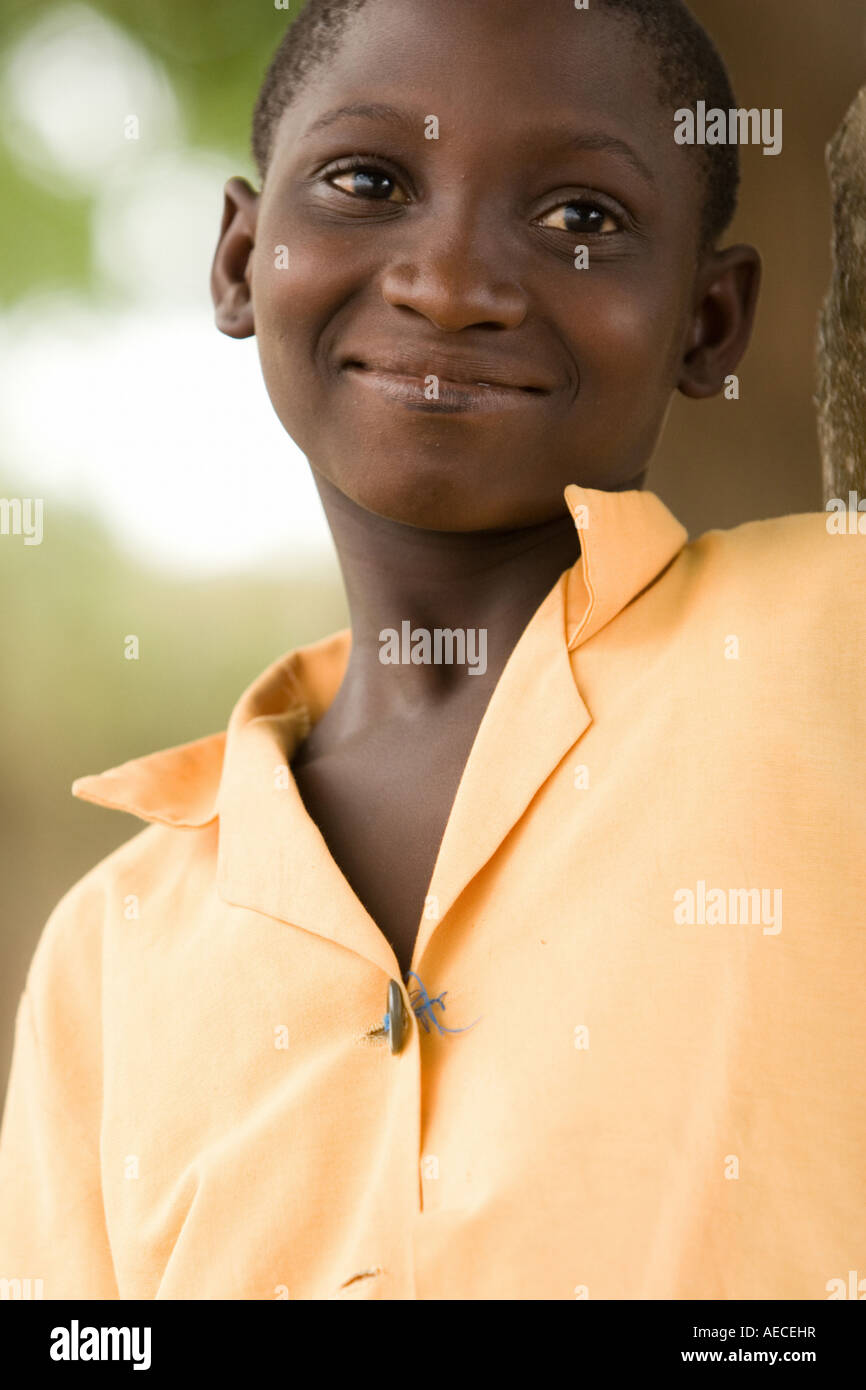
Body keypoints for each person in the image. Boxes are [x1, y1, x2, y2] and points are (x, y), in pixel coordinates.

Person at [0, 0, 863, 1300]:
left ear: (708, 322)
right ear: (240, 255)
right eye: (366, 181)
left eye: (582, 218)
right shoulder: (108, 950)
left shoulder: (828, 645)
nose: (449, 285)